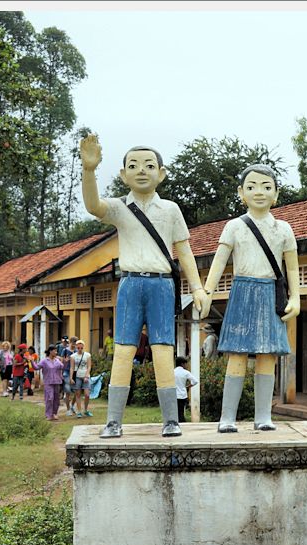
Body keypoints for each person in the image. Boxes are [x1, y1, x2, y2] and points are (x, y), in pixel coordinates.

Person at [80, 135, 207, 438]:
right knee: (123, 351)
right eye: (133, 166)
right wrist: (88, 170)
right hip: (130, 284)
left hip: (162, 286)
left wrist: (199, 288)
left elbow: (185, 251)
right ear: (123, 174)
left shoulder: (171, 210)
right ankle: (113, 421)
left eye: (149, 165)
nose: (141, 170)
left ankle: (171, 420)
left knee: (163, 351)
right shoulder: (120, 207)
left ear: (161, 173)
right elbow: (93, 205)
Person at [200, 164, 300, 432]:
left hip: (271, 293)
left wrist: (297, 297)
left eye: (267, 187)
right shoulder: (234, 226)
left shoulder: (284, 229)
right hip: (242, 292)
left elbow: (292, 268)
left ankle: (264, 417)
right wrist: (206, 294)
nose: (259, 192)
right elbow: (219, 262)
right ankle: (227, 418)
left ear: (276, 194)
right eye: (252, 186)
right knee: (237, 355)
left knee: (268, 356)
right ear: (241, 193)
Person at [35, 345, 64, 421]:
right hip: (48, 382)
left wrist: (61, 360)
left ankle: (54, 413)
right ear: (50, 351)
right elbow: (36, 367)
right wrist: (31, 361)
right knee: (49, 398)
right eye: (54, 351)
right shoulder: (44, 361)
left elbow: (62, 367)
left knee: (56, 399)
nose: (56, 352)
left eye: (56, 351)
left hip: (57, 381)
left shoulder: (57, 360)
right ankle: (48, 414)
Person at [70, 340, 93, 418]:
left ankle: (85, 410)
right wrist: (71, 378)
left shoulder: (87, 355)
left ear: (83, 347)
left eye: (81, 347)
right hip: (77, 376)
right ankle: (79, 411)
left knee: (87, 394)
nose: (80, 349)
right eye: (78, 347)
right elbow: (72, 367)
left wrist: (86, 376)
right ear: (76, 347)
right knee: (78, 394)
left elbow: (89, 366)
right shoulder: (73, 356)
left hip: (85, 376)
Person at [173, 356, 198, 423]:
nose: (186, 365)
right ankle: (182, 422)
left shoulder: (172, 372)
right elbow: (195, 381)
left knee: (175, 411)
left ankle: (176, 422)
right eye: (185, 364)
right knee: (181, 411)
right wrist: (188, 386)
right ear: (182, 364)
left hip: (174, 394)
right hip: (182, 394)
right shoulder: (185, 372)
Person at [59, 336, 76, 415]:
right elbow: (61, 362)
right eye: (73, 343)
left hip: (75, 372)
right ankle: (68, 409)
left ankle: (72, 405)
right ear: (70, 342)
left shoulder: (76, 351)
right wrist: (61, 372)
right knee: (68, 390)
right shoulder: (65, 350)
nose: (74, 345)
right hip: (66, 372)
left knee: (77, 391)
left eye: (75, 343)